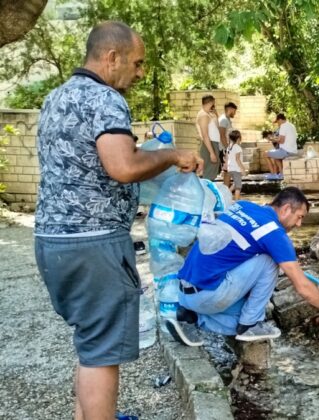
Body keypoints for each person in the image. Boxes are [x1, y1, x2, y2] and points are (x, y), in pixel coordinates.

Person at [34, 21, 202, 420]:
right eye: (138, 63)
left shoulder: (56, 98)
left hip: (52, 242)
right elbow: (123, 167)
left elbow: (94, 161)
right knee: (103, 351)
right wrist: (171, 155)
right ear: (112, 58)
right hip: (94, 246)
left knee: (91, 341)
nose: (140, 73)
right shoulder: (105, 99)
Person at [166, 187, 319, 344]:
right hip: (207, 296)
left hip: (183, 292)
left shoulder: (241, 206)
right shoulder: (274, 232)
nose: (299, 224)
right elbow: (302, 287)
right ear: (286, 209)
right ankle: (249, 325)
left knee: (246, 312)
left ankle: (192, 318)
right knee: (269, 262)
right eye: (300, 216)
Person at [265, 113, 298, 179]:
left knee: (265, 153)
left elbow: (281, 141)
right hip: (293, 151)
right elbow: (283, 139)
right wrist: (274, 139)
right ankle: (281, 174)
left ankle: (273, 174)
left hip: (286, 151)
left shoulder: (283, 126)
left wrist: (271, 139)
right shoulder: (291, 125)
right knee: (276, 154)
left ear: (280, 120)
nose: (278, 124)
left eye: (277, 122)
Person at [196, 94, 222, 181]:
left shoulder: (208, 114)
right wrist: (212, 153)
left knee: (212, 171)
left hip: (213, 144)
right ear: (211, 102)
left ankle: (208, 193)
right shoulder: (203, 115)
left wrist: (216, 114)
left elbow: (218, 127)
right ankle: (207, 193)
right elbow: (205, 135)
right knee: (209, 174)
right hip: (209, 145)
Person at [218, 102, 238, 185]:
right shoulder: (223, 120)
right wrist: (227, 149)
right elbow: (222, 135)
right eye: (234, 111)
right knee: (227, 170)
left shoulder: (227, 120)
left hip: (227, 149)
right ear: (230, 109)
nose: (235, 113)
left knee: (228, 170)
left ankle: (226, 189)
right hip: (223, 149)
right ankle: (226, 189)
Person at [226, 130, 246, 200]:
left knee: (235, 183)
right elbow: (237, 159)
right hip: (236, 169)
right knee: (238, 187)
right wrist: (243, 169)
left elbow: (227, 158)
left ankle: (225, 193)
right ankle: (237, 201)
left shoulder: (229, 147)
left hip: (230, 168)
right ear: (238, 138)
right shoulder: (237, 147)